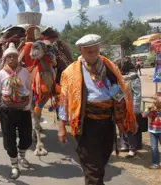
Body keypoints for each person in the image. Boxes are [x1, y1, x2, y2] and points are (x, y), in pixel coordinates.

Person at [58, 34, 137, 185]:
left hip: (107, 122)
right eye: (89, 52)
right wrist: (62, 127)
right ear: (80, 50)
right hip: (86, 124)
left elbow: (119, 93)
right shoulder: (71, 72)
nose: (94, 55)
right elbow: (64, 101)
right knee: (92, 168)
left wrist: (125, 118)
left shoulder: (109, 67)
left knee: (102, 161)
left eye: (96, 51)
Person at [0, 43, 33, 179]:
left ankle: (22, 156)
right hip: (7, 112)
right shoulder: (1, 75)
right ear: (5, 59)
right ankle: (14, 165)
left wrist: (28, 108)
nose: (11, 59)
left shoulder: (25, 73)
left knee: (26, 138)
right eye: (8, 56)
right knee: (9, 140)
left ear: (18, 57)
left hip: (23, 110)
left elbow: (29, 90)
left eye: (14, 56)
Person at [120, 58, 142, 158]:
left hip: (131, 107)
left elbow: (137, 94)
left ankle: (132, 149)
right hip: (122, 106)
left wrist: (135, 109)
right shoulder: (121, 77)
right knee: (122, 126)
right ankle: (125, 144)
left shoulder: (134, 78)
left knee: (131, 128)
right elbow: (119, 93)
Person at [142, 95, 161, 169]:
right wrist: (149, 108)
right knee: (154, 148)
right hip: (152, 131)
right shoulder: (152, 111)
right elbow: (144, 115)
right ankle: (155, 163)